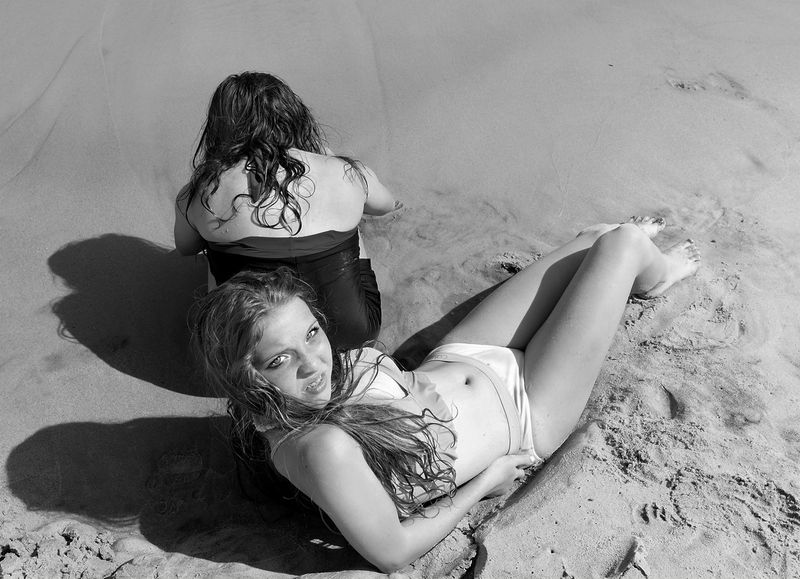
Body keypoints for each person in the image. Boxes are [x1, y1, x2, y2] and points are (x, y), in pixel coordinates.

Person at [191, 216, 700, 572]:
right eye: (280, 360)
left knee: (598, 239)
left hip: (465, 354)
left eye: (311, 334)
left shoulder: (292, 398)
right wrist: (484, 483)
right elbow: (392, 552)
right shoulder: (320, 448)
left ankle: (612, 253)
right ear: (248, 377)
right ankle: (656, 276)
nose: (313, 363)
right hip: (528, 407)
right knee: (623, 244)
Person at [174, 71, 398, 350]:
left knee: (212, 247)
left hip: (251, 347)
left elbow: (186, 248)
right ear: (293, 116)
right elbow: (386, 206)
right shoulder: (346, 173)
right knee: (350, 220)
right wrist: (330, 160)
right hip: (354, 334)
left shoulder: (200, 192)